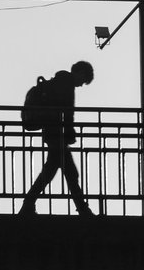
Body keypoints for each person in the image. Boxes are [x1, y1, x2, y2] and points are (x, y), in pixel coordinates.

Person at [20, 60, 95, 216]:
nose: (81, 85)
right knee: (68, 173)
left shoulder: (59, 81)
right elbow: (67, 112)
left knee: (55, 172)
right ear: (80, 73)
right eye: (83, 80)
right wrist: (69, 132)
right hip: (57, 135)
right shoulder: (66, 83)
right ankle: (83, 210)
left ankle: (28, 204)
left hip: (53, 133)